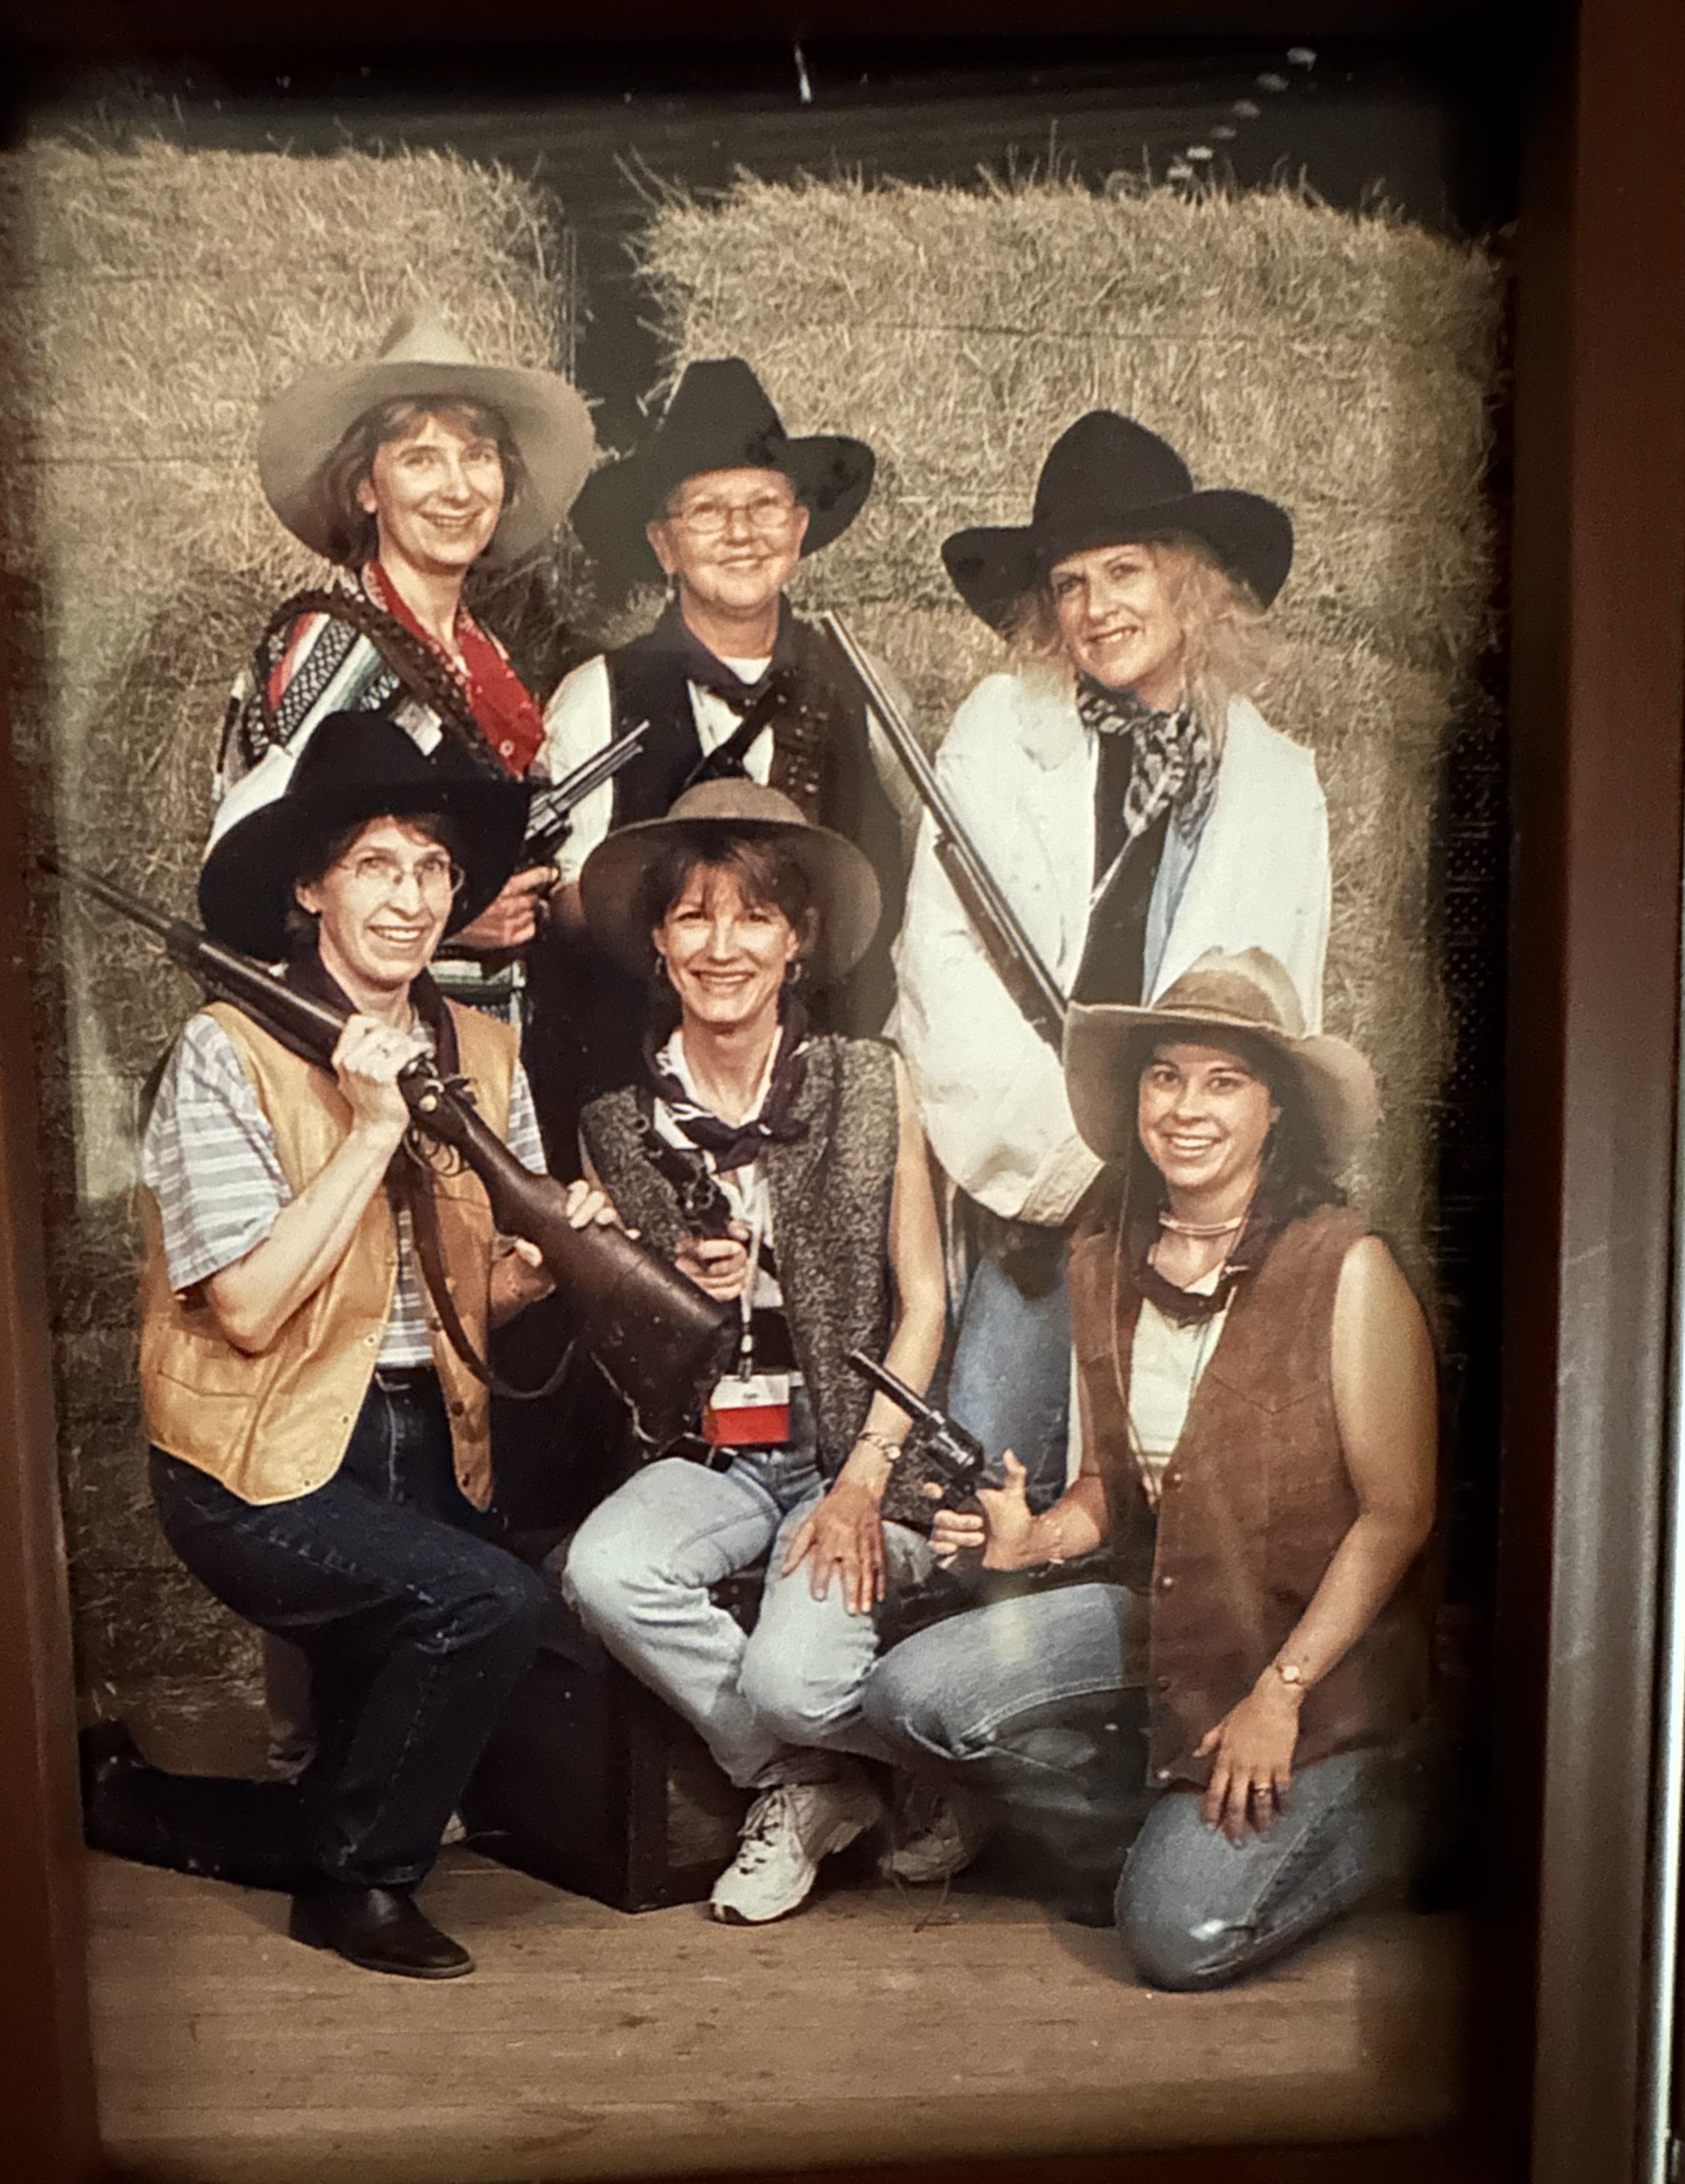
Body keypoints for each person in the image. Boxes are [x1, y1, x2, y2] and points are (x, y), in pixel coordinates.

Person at [80, 709, 620, 1980]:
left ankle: (140, 1808)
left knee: (468, 1702)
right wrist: (374, 1129)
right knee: (484, 1603)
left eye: (433, 867)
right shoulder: (228, 1051)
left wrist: (544, 1269)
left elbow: (461, 1300)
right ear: (313, 885)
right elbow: (257, 1311)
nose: (413, 895)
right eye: (378, 864)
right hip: (257, 1457)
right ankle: (357, 1889)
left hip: (434, 1437)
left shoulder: (483, 1046)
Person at [864, 948, 1438, 1987]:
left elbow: (1396, 1515)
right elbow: (1107, 1491)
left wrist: (1280, 1692)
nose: (1184, 1107)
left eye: (1223, 1081)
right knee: (915, 1693)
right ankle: (1159, 1826)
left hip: (1316, 1659)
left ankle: (1390, 1811)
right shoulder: (1104, 1257)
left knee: (1176, 1939)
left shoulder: (1343, 1266)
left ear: (1276, 1111)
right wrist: (1032, 1537)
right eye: (1163, 1074)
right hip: (1177, 1618)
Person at [893, 411, 1331, 1509]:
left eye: (1125, 572)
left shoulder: (1278, 783)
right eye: (1073, 583)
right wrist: (1079, 1160)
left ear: (1189, 581)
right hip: (1041, 1200)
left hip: (1198, 1201)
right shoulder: (1000, 732)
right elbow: (942, 970)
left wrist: (1191, 1165)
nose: (1097, 609)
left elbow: (1286, 1012)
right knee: (978, 1494)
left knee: (1178, 1521)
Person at [561, 779, 945, 1926]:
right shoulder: (613, 1125)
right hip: (718, 1455)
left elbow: (923, 1305)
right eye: (692, 917)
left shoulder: (872, 1084)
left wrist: (866, 1483)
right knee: (602, 1573)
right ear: (657, 941)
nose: (722, 947)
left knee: (796, 1673)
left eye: (754, 918)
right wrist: (645, 1275)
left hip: (850, 1456)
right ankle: (799, 1779)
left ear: (800, 938)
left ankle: (949, 1759)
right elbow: (630, 1360)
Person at [531, 358, 909, 1168]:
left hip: (828, 1115)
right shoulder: (594, 697)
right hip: (644, 1109)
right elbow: (561, 906)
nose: (741, 534)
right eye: (707, 511)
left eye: (765, 505)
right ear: (664, 545)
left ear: (800, 529)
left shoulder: (871, 690)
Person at [224, 308, 596, 1016]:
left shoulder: (481, 653)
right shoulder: (330, 649)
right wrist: (456, 914)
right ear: (367, 488)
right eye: (421, 459)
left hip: (476, 1037)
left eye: (478, 456)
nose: (458, 489)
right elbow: (261, 881)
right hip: (360, 1049)